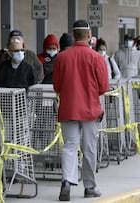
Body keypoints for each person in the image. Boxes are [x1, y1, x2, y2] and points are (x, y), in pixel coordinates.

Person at [53, 19, 109, 201]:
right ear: (89, 35)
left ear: (72, 35)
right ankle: (90, 186)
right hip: (90, 110)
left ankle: (67, 182)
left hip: (68, 108)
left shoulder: (62, 57)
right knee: (89, 148)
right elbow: (103, 87)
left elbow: (57, 86)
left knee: (70, 146)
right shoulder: (97, 58)